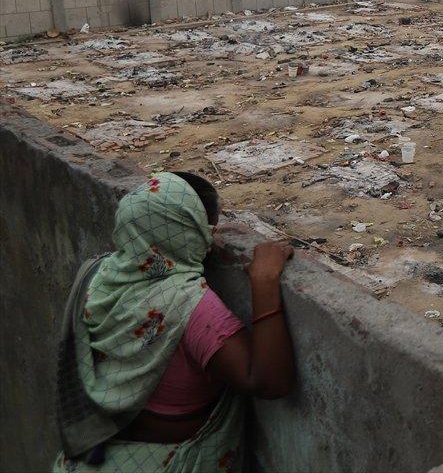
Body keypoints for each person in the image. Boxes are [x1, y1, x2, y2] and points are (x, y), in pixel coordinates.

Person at [53, 172, 294, 471]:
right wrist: (265, 281)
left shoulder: (95, 274)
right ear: (189, 232)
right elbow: (269, 381)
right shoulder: (190, 304)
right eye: (210, 228)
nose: (212, 237)